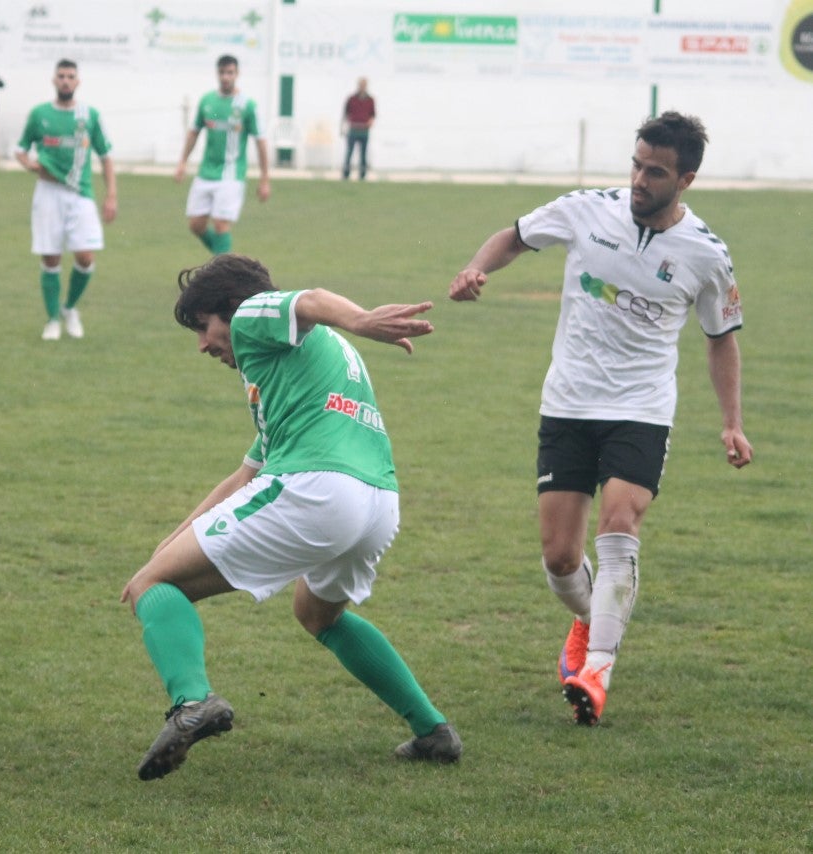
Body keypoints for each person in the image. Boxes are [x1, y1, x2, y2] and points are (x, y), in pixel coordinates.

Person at [448, 111, 751, 727]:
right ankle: (590, 620)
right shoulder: (587, 209)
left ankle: (598, 670)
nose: (640, 179)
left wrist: (732, 422)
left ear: (686, 179)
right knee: (561, 557)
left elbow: (722, 338)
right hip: (567, 402)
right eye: (637, 165)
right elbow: (514, 235)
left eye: (656, 172)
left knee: (619, 523)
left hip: (641, 409)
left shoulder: (707, 254)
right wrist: (478, 267)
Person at [121, 254, 461, 781]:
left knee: (150, 587)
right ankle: (432, 730)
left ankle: (192, 703)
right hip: (376, 502)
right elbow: (244, 475)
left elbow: (313, 299)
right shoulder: (296, 368)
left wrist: (364, 319)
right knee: (317, 614)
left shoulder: (253, 316)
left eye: (205, 328)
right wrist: (176, 534)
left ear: (229, 311)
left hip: (316, 489)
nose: (203, 345)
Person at [14, 59, 117, 341]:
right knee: (51, 258)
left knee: (85, 257)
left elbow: (106, 156)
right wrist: (31, 165)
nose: (66, 81)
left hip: (80, 194)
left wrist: (111, 195)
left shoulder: (90, 115)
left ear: (78, 81)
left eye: (71, 76)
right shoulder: (40, 114)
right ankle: (51, 320)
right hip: (48, 193)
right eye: (61, 76)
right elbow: (20, 149)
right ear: (53, 80)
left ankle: (69, 308)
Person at [174, 54, 270, 256]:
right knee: (196, 225)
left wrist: (264, 178)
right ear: (217, 74)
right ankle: (225, 262)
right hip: (206, 172)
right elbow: (194, 132)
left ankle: (222, 274)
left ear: (237, 74)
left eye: (230, 73)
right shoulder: (207, 101)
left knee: (220, 224)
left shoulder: (247, 105)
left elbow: (260, 142)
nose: (226, 77)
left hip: (231, 175)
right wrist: (182, 162)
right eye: (222, 73)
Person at [342, 77, 375, 181]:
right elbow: (346, 113)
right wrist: (348, 124)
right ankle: (346, 173)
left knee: (363, 153)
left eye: (364, 85)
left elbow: (373, 114)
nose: (362, 87)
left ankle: (362, 174)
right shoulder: (351, 99)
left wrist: (370, 122)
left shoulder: (370, 100)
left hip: (364, 129)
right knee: (349, 152)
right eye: (361, 85)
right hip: (353, 128)